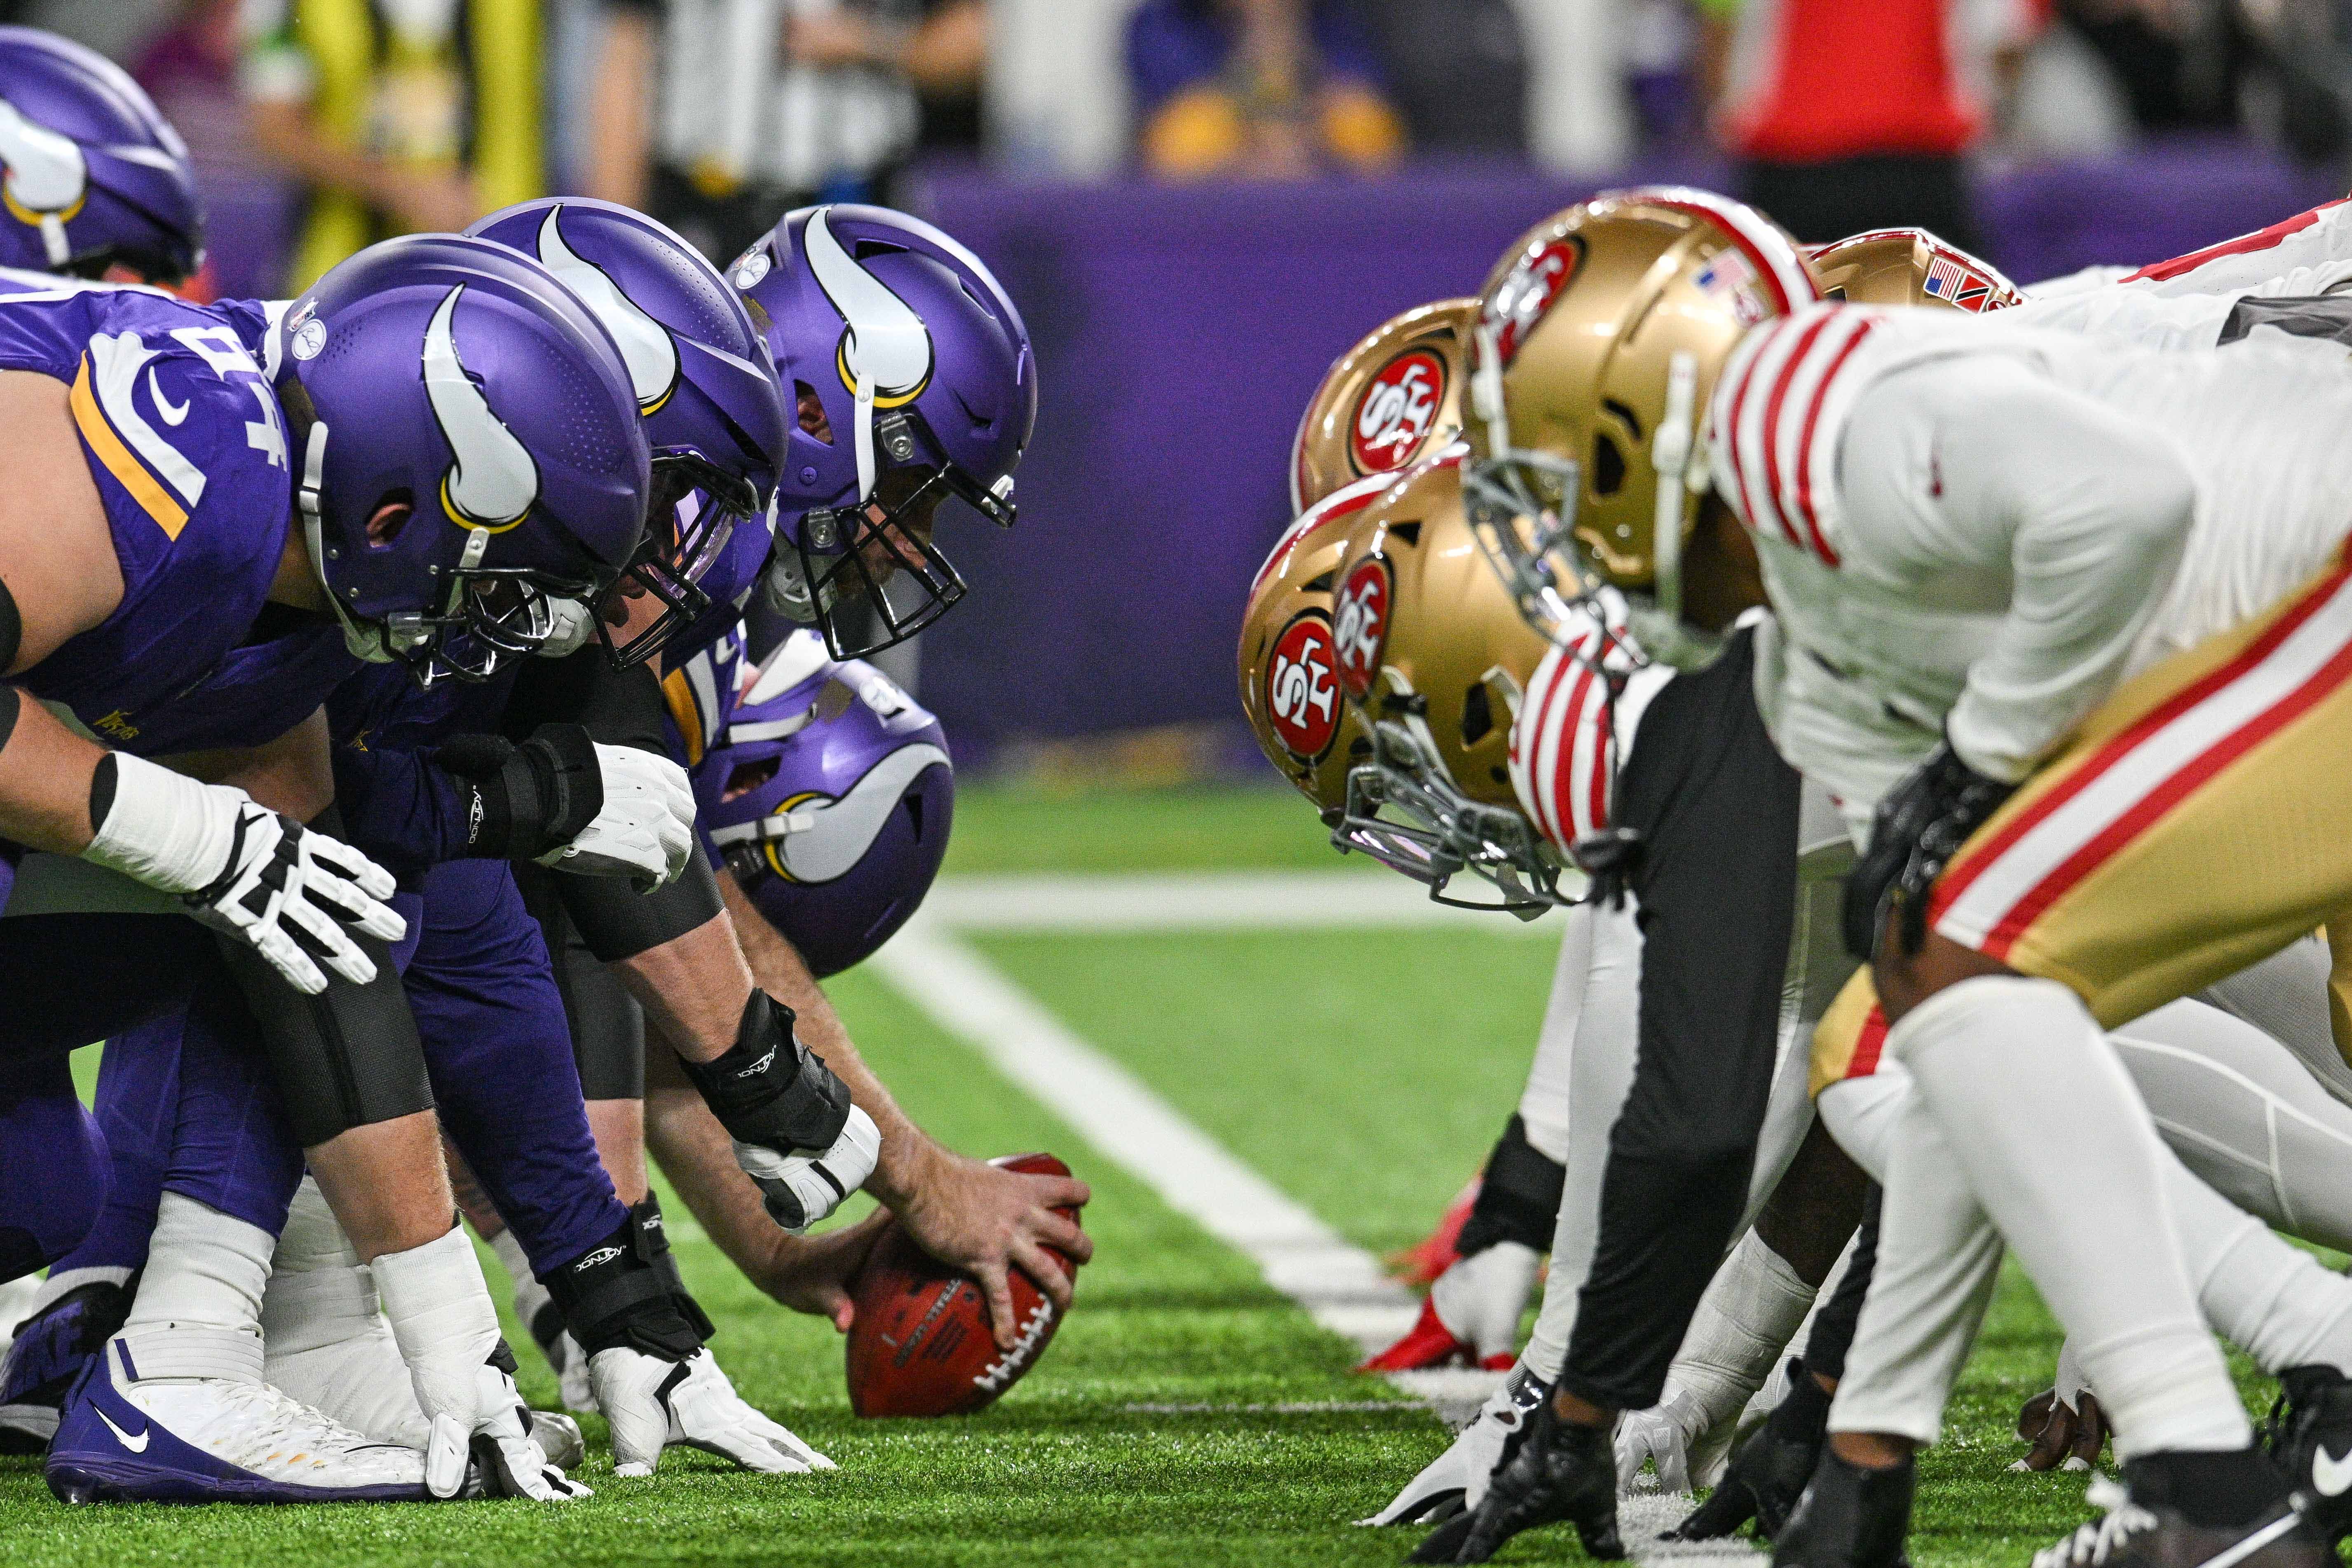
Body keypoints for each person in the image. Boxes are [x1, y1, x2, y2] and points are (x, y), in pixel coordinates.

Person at [1427, 185, 2352, 1568]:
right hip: (2285, 644)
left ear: (1642, 424)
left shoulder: (1812, 412)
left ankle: (2230, 1448)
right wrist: (1854, 1432)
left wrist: (1982, 753)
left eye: (1555, 483)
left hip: (2316, 590)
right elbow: (1919, 1061)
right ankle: (2227, 1444)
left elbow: (2129, 502)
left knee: (1955, 964)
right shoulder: (1806, 649)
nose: (1557, 546)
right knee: (1893, 1035)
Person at [586, 0, 987, 264]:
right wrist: (614, 246)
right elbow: (626, 54)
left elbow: (974, 43)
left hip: (855, 204)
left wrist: (870, 43)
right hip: (705, 206)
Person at [240, 0, 546, 289]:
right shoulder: (283, 8)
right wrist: (403, 190)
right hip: (337, 278)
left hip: (514, 273)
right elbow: (276, 130)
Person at [1126, 0, 1404, 180]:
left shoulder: (1343, 21)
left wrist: (1286, 41)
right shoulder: (1164, 23)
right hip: (1209, 220)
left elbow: (1378, 149)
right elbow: (1173, 154)